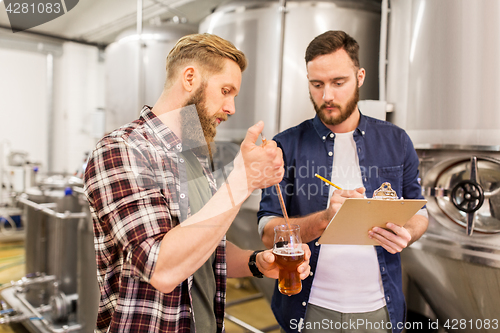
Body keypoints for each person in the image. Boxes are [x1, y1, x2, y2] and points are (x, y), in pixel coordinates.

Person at [83, 33, 311, 333]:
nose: (230, 108)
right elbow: (161, 269)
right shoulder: (123, 149)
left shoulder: (193, 151)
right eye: (225, 90)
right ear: (190, 78)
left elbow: (205, 247)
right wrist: (242, 181)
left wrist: (256, 262)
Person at [258, 31, 428, 333]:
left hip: (380, 310)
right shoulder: (286, 145)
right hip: (308, 311)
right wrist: (325, 219)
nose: (327, 96)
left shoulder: (397, 141)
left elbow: (420, 212)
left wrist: (409, 232)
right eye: (317, 84)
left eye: (338, 83)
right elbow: (267, 230)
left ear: (360, 77)